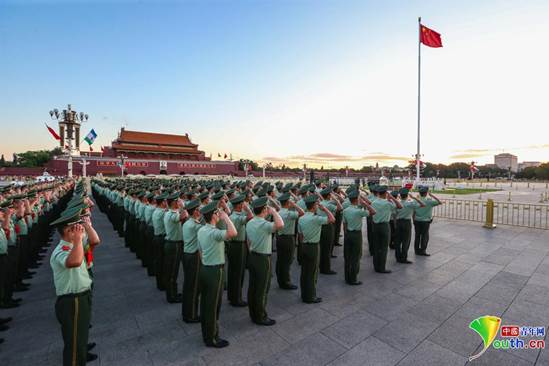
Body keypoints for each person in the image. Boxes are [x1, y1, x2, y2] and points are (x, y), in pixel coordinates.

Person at [49, 208, 97, 365]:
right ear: (69, 231)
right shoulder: (61, 250)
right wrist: (77, 240)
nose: (80, 229)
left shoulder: (73, 245)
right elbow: (74, 262)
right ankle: (77, 357)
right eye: (76, 227)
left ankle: (82, 353)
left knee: (80, 335)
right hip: (72, 301)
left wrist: (88, 227)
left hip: (81, 296)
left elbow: (95, 241)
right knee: (73, 345)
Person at [197, 201, 237, 348]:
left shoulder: (201, 230)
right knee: (214, 305)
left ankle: (206, 334)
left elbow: (200, 251)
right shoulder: (214, 233)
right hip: (214, 271)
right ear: (213, 216)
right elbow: (233, 232)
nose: (219, 213)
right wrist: (226, 218)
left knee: (207, 304)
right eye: (217, 212)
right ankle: (212, 338)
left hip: (205, 268)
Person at [246, 196, 284, 325]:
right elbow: (280, 225)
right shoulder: (264, 224)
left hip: (253, 255)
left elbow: (248, 241)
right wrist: (274, 212)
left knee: (253, 286)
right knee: (262, 288)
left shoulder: (250, 222)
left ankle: (253, 313)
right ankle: (260, 316)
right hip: (262, 258)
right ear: (264, 209)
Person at [298, 194, 335, 303]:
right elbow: (332, 219)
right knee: (312, 272)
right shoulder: (316, 219)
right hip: (313, 247)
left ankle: (304, 294)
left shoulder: (301, 218)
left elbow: (300, 236)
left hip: (304, 246)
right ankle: (310, 297)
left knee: (304, 272)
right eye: (316, 204)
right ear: (314, 206)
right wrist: (324, 208)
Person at [342, 190, 376, 285]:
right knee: (356, 256)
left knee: (348, 256)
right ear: (357, 199)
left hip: (348, 233)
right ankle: (353, 279)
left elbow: (344, 224)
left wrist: (346, 234)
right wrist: (365, 203)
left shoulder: (345, 210)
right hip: (356, 234)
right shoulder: (359, 211)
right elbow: (373, 211)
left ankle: (347, 277)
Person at [226, 194, 253, 307]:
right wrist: (247, 208)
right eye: (242, 203)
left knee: (232, 272)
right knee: (238, 273)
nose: (244, 205)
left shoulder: (232, 215)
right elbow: (250, 216)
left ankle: (231, 296)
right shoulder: (237, 217)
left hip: (233, 245)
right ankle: (236, 299)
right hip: (238, 245)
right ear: (239, 205)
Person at [163, 192, 188, 303]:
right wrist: (183, 206)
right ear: (173, 202)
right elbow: (185, 215)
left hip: (172, 243)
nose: (179, 202)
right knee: (173, 271)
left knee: (172, 271)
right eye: (177, 201)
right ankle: (171, 296)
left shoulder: (170, 212)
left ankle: (173, 293)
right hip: (174, 244)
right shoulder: (172, 215)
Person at [370, 185, 402, 273]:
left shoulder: (373, 202)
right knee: (384, 248)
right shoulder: (388, 203)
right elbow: (399, 206)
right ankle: (382, 268)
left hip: (375, 226)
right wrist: (392, 198)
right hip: (384, 226)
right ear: (385, 193)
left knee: (376, 246)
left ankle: (376, 266)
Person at [276, 192, 304, 289]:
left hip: (279, 237)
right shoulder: (288, 213)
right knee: (287, 261)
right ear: (288, 202)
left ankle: (280, 280)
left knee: (280, 260)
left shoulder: (278, 212)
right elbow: (302, 213)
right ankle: (286, 282)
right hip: (288, 238)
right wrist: (295, 205)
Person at [181, 199, 203, 323]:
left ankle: (187, 312)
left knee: (189, 285)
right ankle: (191, 315)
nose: (199, 211)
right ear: (194, 211)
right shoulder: (195, 226)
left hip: (187, 255)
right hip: (193, 257)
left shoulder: (187, 223)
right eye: (198, 209)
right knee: (194, 287)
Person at [394, 188, 424, 263]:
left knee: (397, 241)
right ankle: (403, 258)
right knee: (406, 241)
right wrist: (414, 198)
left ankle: (398, 257)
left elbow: (394, 215)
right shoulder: (410, 203)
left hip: (398, 222)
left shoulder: (397, 203)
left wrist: (395, 224)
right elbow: (422, 204)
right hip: (406, 223)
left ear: (400, 195)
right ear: (407, 195)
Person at [413, 186, 442, 256]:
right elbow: (439, 202)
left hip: (417, 220)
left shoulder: (415, 201)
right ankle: (423, 250)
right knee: (424, 236)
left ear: (419, 193)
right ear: (426, 193)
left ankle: (416, 250)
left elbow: (413, 212)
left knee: (417, 236)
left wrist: (413, 220)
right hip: (425, 221)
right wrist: (432, 195)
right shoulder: (429, 201)